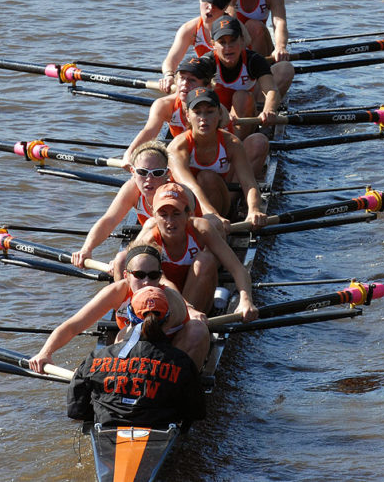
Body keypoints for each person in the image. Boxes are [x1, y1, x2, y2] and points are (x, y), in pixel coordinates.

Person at [30, 244, 212, 374]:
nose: (147, 282)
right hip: (138, 348)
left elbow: (152, 345)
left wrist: (96, 367)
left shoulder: (170, 298)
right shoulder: (116, 292)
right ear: (126, 276)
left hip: (173, 350)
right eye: (139, 275)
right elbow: (74, 326)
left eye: (153, 275)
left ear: (160, 276)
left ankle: (185, 386)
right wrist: (45, 353)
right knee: (124, 335)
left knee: (197, 330)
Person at [65, 286, 206, 428]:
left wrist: (99, 414)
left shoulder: (96, 358)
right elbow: (197, 412)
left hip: (107, 423)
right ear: (167, 318)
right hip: (159, 427)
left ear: (129, 316)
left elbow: (75, 410)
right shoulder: (182, 362)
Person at [117, 181, 259, 317]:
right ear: (154, 215)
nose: (170, 222)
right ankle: (130, 315)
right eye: (163, 215)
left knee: (205, 260)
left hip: (198, 299)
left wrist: (246, 300)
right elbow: (165, 282)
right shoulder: (150, 241)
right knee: (124, 261)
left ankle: (188, 323)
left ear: (189, 214)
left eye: (176, 213)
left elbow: (237, 268)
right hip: (165, 299)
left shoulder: (202, 230)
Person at [124, 55, 268, 177]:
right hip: (184, 159)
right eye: (182, 78)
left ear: (207, 87)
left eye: (192, 80)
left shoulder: (219, 112)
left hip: (215, 169)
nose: (185, 84)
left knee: (257, 142)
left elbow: (226, 152)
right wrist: (129, 155)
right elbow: (149, 131)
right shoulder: (164, 105)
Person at [167, 87, 267, 230]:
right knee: (205, 178)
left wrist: (254, 209)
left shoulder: (231, 143)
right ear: (187, 116)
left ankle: (222, 222)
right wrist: (212, 214)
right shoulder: (177, 147)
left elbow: (249, 183)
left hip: (220, 200)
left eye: (209, 112)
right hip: (186, 206)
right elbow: (191, 187)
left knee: (207, 178)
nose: (203, 118)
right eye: (197, 112)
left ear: (220, 114)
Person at [70, 142, 174, 270]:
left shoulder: (172, 193)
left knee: (151, 225)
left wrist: (129, 256)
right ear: (133, 172)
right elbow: (109, 220)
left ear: (167, 174)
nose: (149, 179)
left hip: (176, 249)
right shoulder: (132, 189)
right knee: (121, 261)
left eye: (157, 173)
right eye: (142, 172)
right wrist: (87, 249)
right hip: (154, 246)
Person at [198, 15, 292, 137]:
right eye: (222, 42)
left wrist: (269, 110)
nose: (228, 47)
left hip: (246, 116)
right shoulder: (206, 63)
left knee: (241, 96)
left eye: (233, 40)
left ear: (242, 40)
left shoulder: (253, 60)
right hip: (216, 116)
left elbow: (271, 90)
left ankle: (235, 145)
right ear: (213, 44)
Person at [157, 0, 234, 94]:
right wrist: (169, 75)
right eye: (207, 1)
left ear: (226, 6)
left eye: (217, 4)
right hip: (208, 83)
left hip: (232, 83)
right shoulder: (189, 30)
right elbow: (171, 60)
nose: (210, 8)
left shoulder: (235, 29)